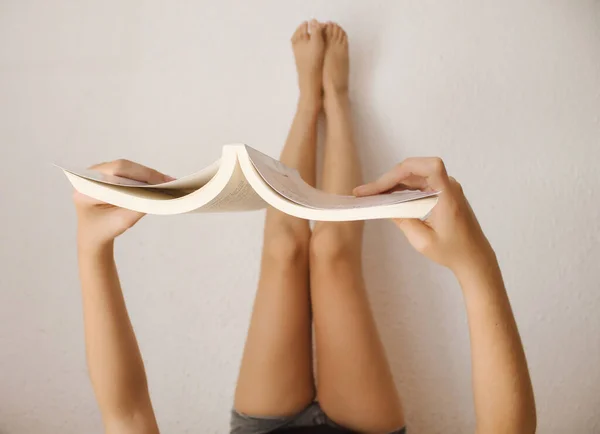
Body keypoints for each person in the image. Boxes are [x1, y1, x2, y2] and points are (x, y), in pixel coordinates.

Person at [72, 20, 536, 434]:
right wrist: (478, 266)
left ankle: (305, 102)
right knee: (332, 252)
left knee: (284, 251)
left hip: (264, 427)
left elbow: (126, 415)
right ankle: (335, 99)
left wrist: (92, 249)